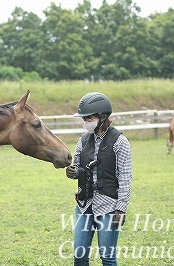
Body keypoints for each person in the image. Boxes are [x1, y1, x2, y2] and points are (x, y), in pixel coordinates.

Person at [65, 92, 133, 266]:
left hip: (109, 206)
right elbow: (78, 166)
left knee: (107, 258)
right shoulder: (83, 140)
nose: (86, 123)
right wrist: (72, 172)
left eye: (89, 119)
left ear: (103, 116)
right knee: (79, 256)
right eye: (84, 119)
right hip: (84, 204)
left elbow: (125, 177)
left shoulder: (120, 142)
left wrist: (121, 209)